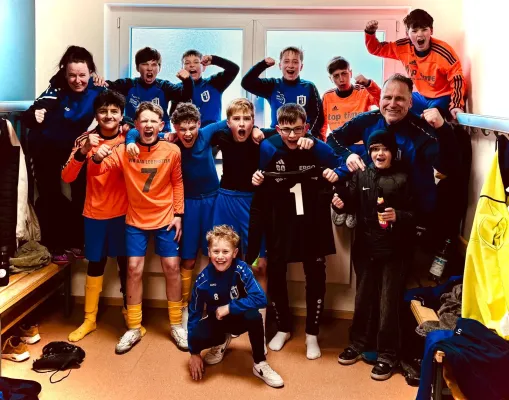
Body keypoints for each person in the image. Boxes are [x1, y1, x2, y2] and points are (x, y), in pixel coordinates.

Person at [211, 98, 314, 346]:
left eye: (247, 119)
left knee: (259, 266)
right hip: (225, 202)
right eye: (236, 119)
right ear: (228, 122)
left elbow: (286, 135)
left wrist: (307, 139)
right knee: (222, 262)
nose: (242, 123)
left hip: (253, 206)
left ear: (254, 121)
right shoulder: (221, 136)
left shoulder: (264, 141)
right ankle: (223, 331)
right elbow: (198, 132)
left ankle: (260, 330)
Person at [87, 102, 187, 353]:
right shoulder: (124, 150)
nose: (149, 125)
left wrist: (178, 214)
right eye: (144, 121)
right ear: (137, 125)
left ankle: (176, 324)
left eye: (153, 121)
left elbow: (177, 182)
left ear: (161, 125)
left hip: (165, 217)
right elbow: (100, 170)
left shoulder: (172, 150)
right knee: (132, 269)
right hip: (135, 219)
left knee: (172, 267)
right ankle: (133, 327)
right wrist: (96, 157)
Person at [246, 103, 340, 360]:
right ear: (277, 128)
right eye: (286, 129)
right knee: (276, 274)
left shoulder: (317, 147)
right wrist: (256, 179)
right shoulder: (268, 147)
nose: (291, 135)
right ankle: (284, 327)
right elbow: (258, 179)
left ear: (306, 128)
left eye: (298, 129)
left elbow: (341, 167)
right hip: (280, 223)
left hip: (313, 223)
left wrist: (335, 174)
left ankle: (312, 333)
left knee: (316, 276)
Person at [326, 73, 459, 227]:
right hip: (377, 208)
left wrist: (443, 128)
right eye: (387, 97)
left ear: (410, 103)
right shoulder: (368, 120)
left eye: (399, 98)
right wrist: (349, 155)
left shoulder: (421, 131)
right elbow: (333, 139)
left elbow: (449, 167)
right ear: (380, 99)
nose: (392, 104)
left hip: (414, 212)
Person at [333, 130, 413, 381]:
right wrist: (339, 203)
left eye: (384, 149)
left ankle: (387, 355)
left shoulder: (404, 178)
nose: (379, 154)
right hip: (365, 248)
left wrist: (398, 215)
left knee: (388, 304)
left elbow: (417, 214)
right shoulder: (361, 175)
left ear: (393, 152)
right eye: (374, 149)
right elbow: (350, 202)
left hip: (394, 251)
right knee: (363, 298)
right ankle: (358, 343)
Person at [23, 45, 105, 264]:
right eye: (72, 75)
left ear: (91, 73)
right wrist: (35, 115)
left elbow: (117, 107)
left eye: (82, 75)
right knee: (50, 195)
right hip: (45, 147)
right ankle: (54, 245)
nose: (77, 80)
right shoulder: (56, 88)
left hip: (74, 147)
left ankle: (77, 242)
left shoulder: (98, 90)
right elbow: (32, 112)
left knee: (82, 193)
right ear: (65, 73)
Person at [62, 90, 131, 342]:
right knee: (95, 265)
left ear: (121, 115)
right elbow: (67, 176)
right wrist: (83, 152)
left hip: (125, 214)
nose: (109, 115)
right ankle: (89, 320)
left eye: (114, 111)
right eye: (103, 111)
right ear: (96, 114)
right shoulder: (86, 139)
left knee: (127, 266)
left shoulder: (129, 136)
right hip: (95, 214)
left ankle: (131, 317)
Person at [187, 225, 284, 388]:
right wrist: (194, 353)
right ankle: (221, 341)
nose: (220, 256)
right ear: (209, 252)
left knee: (254, 316)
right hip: (218, 320)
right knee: (196, 333)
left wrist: (230, 307)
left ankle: (260, 363)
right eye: (216, 251)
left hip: (239, 318)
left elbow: (260, 298)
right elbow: (194, 315)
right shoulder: (202, 281)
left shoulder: (242, 269)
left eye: (225, 251)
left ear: (234, 253)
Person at [364, 9, 466, 119]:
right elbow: (376, 49)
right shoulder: (402, 47)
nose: (420, 35)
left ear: (431, 31)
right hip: (421, 96)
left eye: (424, 29)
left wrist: (456, 105)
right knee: (398, 104)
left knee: (431, 119)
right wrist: (370, 33)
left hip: (442, 96)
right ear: (407, 33)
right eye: (414, 31)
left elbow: (457, 78)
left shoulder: (443, 52)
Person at [321, 56, 381, 228]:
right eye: (336, 76)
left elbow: (382, 101)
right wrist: (322, 147)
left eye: (344, 74)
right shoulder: (328, 96)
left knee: (360, 168)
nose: (341, 79)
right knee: (334, 164)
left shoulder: (362, 91)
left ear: (351, 73)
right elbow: (323, 125)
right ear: (330, 78)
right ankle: (342, 206)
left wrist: (369, 83)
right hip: (339, 146)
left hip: (361, 145)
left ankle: (350, 207)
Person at [94, 47, 193, 131]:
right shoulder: (128, 84)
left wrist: (187, 81)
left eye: (154, 64)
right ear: (137, 68)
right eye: (145, 64)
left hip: (161, 135)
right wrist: (98, 82)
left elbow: (185, 96)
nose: (149, 68)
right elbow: (106, 88)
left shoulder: (164, 86)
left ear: (159, 68)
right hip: (134, 135)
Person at [241, 46, 323, 138]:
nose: (291, 65)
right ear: (280, 65)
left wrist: (308, 136)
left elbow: (318, 116)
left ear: (301, 66)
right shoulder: (273, 85)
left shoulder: (309, 87)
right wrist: (263, 64)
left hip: (301, 137)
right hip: (277, 136)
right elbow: (246, 83)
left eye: (295, 62)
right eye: (286, 61)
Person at [179, 50, 240, 126]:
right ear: (182, 69)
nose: (192, 65)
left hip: (214, 131)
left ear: (203, 67)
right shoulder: (177, 89)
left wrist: (214, 59)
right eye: (187, 63)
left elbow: (234, 69)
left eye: (196, 62)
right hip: (188, 131)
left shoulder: (214, 83)